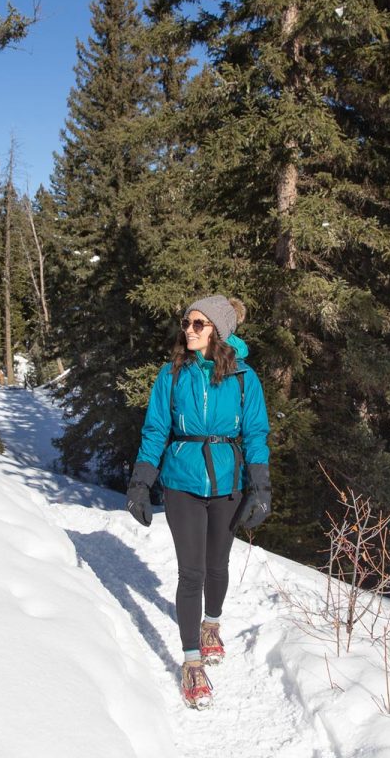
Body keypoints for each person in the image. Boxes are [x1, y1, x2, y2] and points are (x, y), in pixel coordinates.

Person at [126, 294, 272, 710]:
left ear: (218, 331)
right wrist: (142, 481)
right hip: (182, 482)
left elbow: (256, 434)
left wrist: (260, 487)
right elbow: (155, 429)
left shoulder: (245, 378)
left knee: (216, 566)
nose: (188, 330)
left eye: (198, 324)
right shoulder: (171, 375)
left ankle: (212, 625)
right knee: (191, 574)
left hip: (229, 481)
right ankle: (191, 662)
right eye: (187, 323)